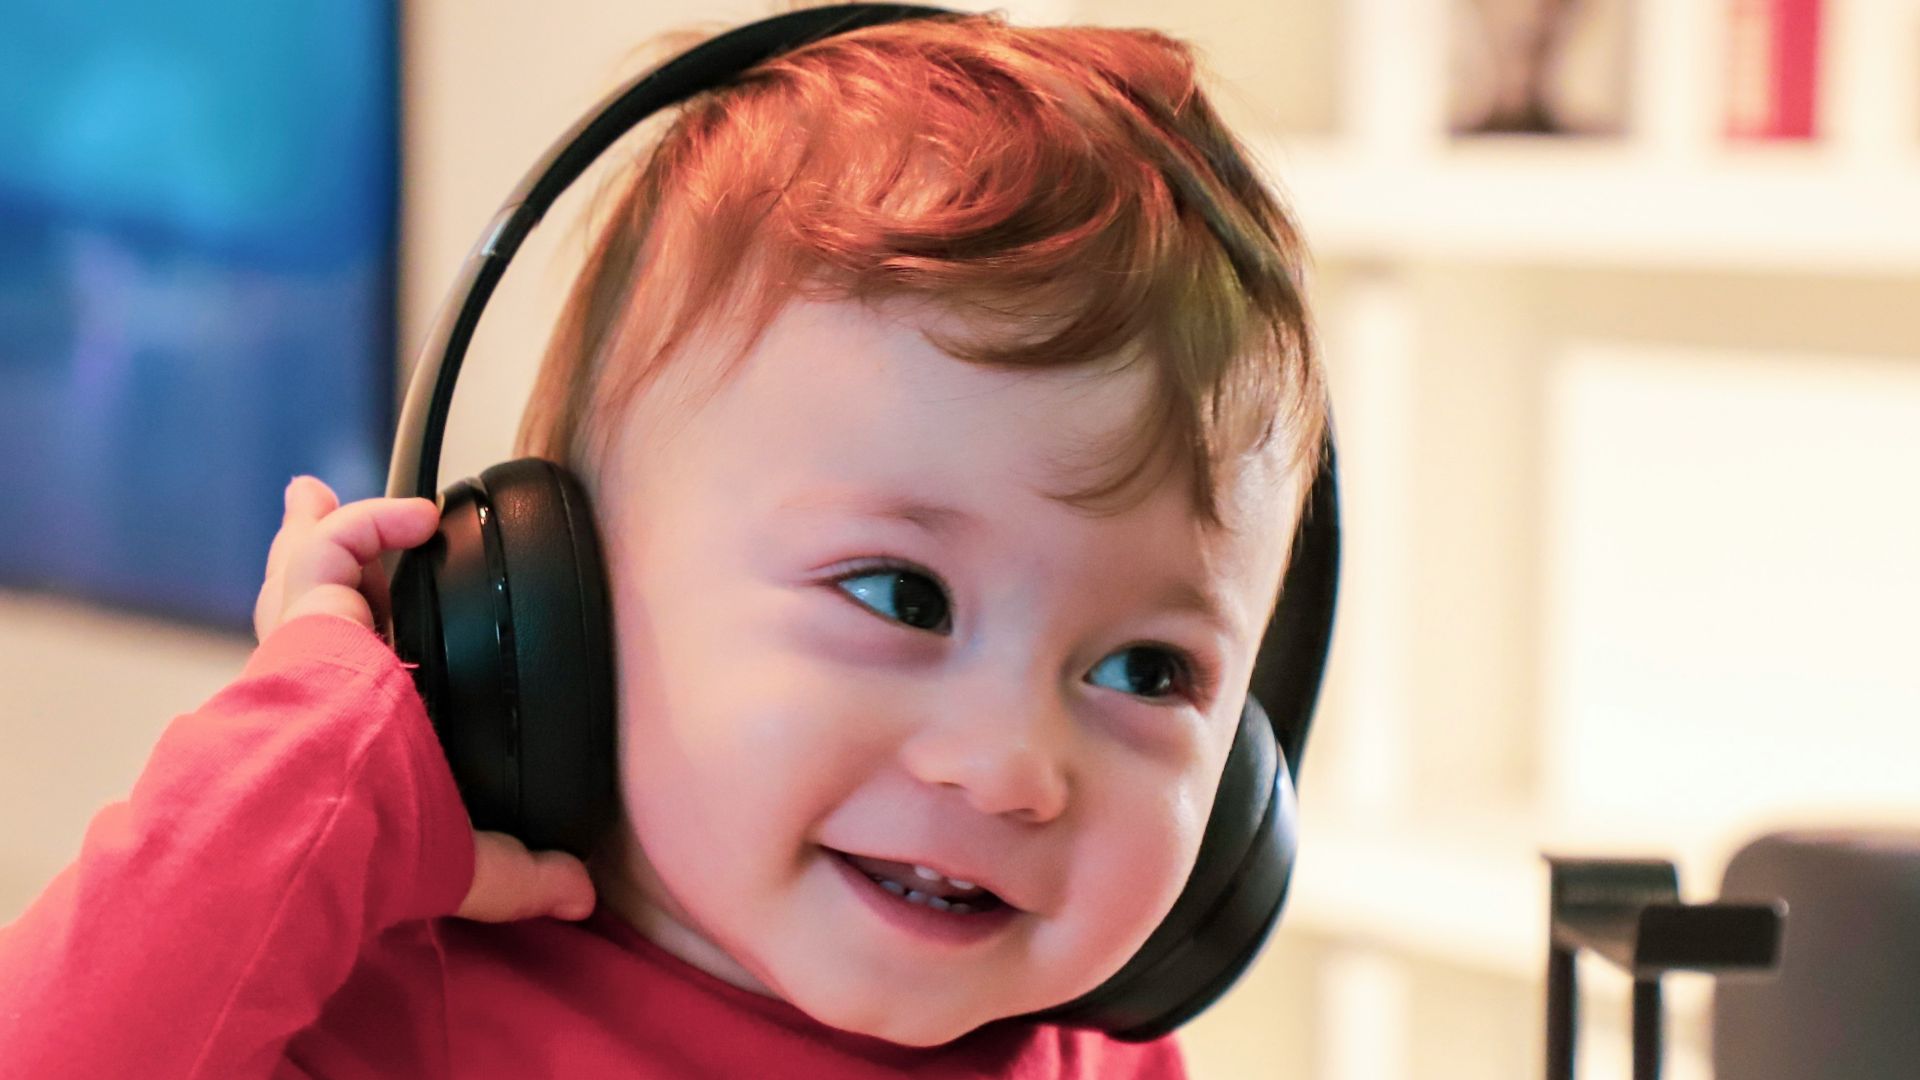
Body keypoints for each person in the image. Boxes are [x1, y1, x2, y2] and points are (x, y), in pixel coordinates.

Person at [0, 7, 1327, 1077]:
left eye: (1150, 672)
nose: (1009, 770)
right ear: (542, 615)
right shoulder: (409, 1011)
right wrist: (311, 755)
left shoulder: (1100, 1057)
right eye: (901, 595)